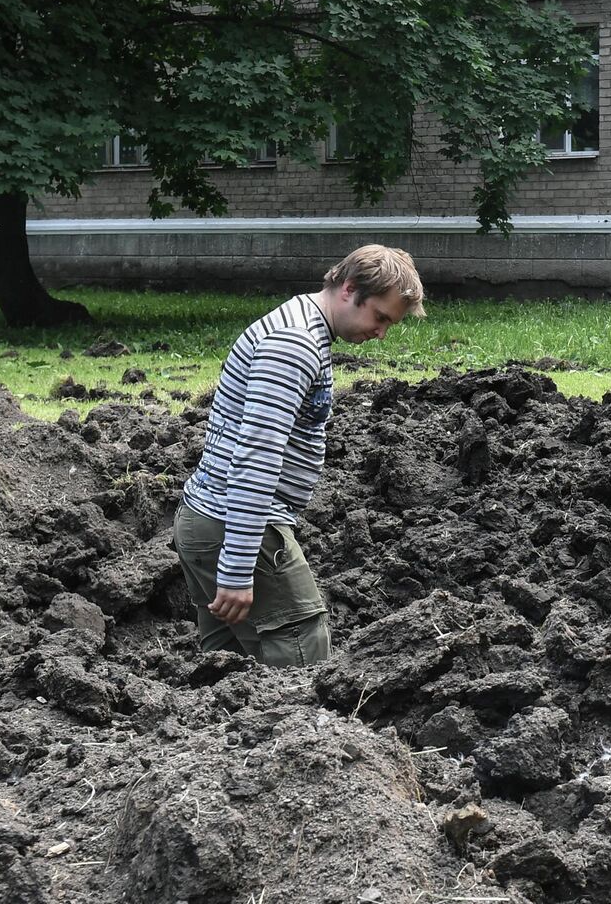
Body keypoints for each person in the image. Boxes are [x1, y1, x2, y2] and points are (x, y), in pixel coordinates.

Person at [173, 244, 425, 664]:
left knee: (226, 669)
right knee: (303, 651)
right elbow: (257, 455)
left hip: (209, 520)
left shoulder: (299, 324)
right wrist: (237, 568)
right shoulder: (294, 345)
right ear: (349, 288)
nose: (380, 334)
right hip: (234, 524)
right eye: (380, 317)